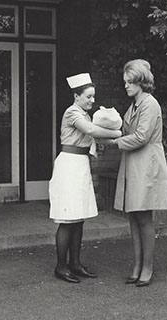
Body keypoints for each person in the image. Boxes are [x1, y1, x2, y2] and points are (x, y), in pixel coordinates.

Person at [107, 59, 167, 287]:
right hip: (134, 164)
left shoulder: (149, 104)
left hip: (146, 164)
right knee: (134, 216)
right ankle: (137, 265)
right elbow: (127, 130)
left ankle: (147, 267)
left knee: (144, 217)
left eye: (129, 82)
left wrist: (115, 142)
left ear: (140, 82)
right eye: (125, 82)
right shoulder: (135, 104)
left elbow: (141, 137)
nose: (126, 86)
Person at [49, 73, 122, 284]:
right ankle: (61, 266)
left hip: (80, 165)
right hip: (69, 165)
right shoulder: (73, 113)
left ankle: (75, 264)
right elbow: (91, 131)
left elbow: (97, 137)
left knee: (78, 218)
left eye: (93, 96)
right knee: (67, 219)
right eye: (88, 96)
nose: (92, 100)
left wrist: (123, 137)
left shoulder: (85, 114)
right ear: (76, 96)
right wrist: (119, 133)